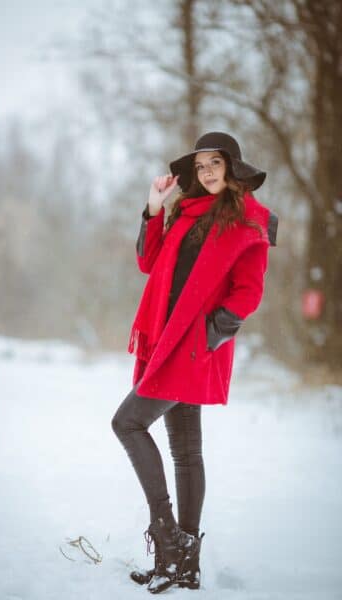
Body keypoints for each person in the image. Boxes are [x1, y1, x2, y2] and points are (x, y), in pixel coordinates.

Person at [111, 132, 278, 594]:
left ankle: (169, 542)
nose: (206, 172)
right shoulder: (184, 214)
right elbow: (148, 263)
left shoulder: (247, 224)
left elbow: (248, 294)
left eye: (214, 164)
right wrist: (154, 207)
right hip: (164, 341)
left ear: (232, 169)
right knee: (186, 451)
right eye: (200, 165)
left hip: (192, 347)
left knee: (126, 423)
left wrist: (206, 337)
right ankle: (184, 565)